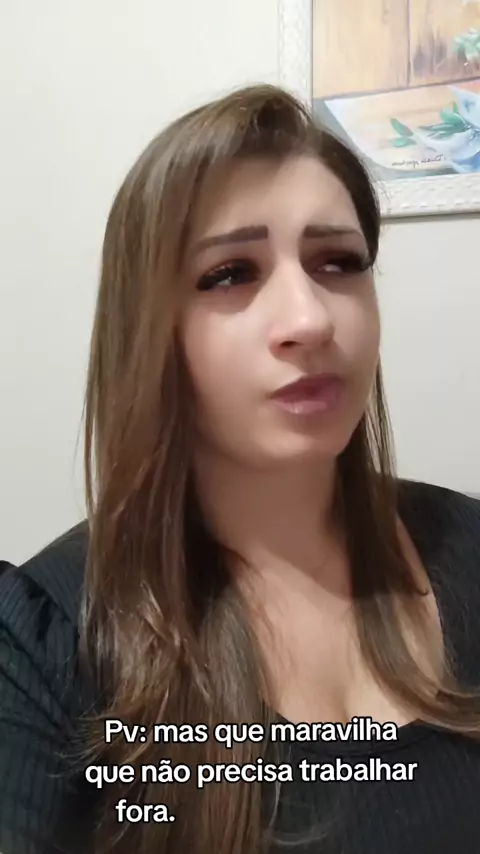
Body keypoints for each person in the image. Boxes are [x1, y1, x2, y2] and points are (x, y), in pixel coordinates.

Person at [0, 83, 479, 854]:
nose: (309, 319)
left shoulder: (468, 545)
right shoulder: (44, 642)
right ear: (148, 330)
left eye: (338, 262)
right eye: (230, 273)